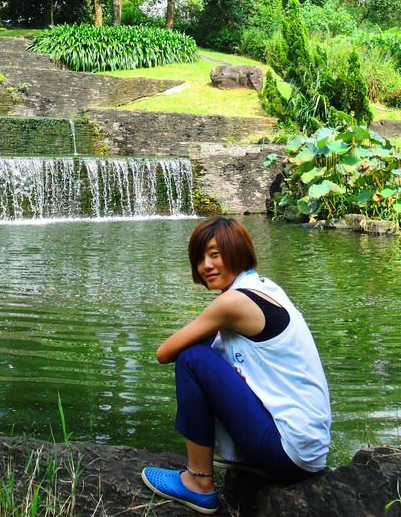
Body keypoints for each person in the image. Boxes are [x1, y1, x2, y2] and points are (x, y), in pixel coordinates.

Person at [141, 217, 331, 515]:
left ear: (237, 251)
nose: (206, 265)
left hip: (289, 451)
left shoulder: (233, 303)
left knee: (192, 359)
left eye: (215, 254)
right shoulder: (263, 287)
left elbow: (164, 353)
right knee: (203, 353)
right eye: (200, 258)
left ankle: (198, 482)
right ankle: (236, 459)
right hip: (307, 450)